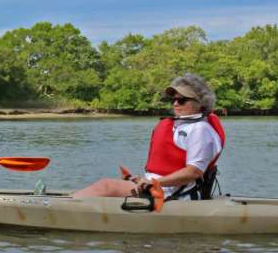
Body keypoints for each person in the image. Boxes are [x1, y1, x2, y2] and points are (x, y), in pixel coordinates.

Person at [73, 73, 226, 199]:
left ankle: (62, 207)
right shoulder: (180, 125)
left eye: (182, 100)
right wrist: (145, 180)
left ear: (201, 103)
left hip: (176, 194)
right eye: (173, 99)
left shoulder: (200, 130)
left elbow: (193, 172)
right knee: (107, 186)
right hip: (159, 187)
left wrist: (153, 182)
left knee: (106, 186)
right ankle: (70, 202)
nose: (175, 104)